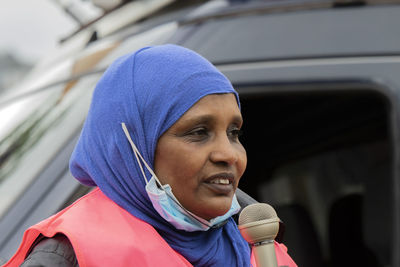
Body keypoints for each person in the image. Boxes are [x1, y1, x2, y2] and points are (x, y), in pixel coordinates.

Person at [4, 45, 297, 267]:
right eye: (198, 131)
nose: (228, 154)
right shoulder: (66, 257)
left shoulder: (261, 247)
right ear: (129, 145)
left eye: (234, 132)